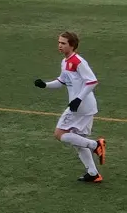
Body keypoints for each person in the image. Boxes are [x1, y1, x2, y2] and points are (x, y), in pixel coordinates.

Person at [34, 31, 106, 182]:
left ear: (72, 45)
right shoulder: (65, 62)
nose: (59, 46)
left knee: (59, 134)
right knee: (77, 140)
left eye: (63, 43)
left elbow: (92, 81)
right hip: (82, 105)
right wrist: (45, 85)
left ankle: (95, 145)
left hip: (80, 106)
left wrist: (78, 99)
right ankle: (93, 173)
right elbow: (62, 81)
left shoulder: (78, 61)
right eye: (59, 42)